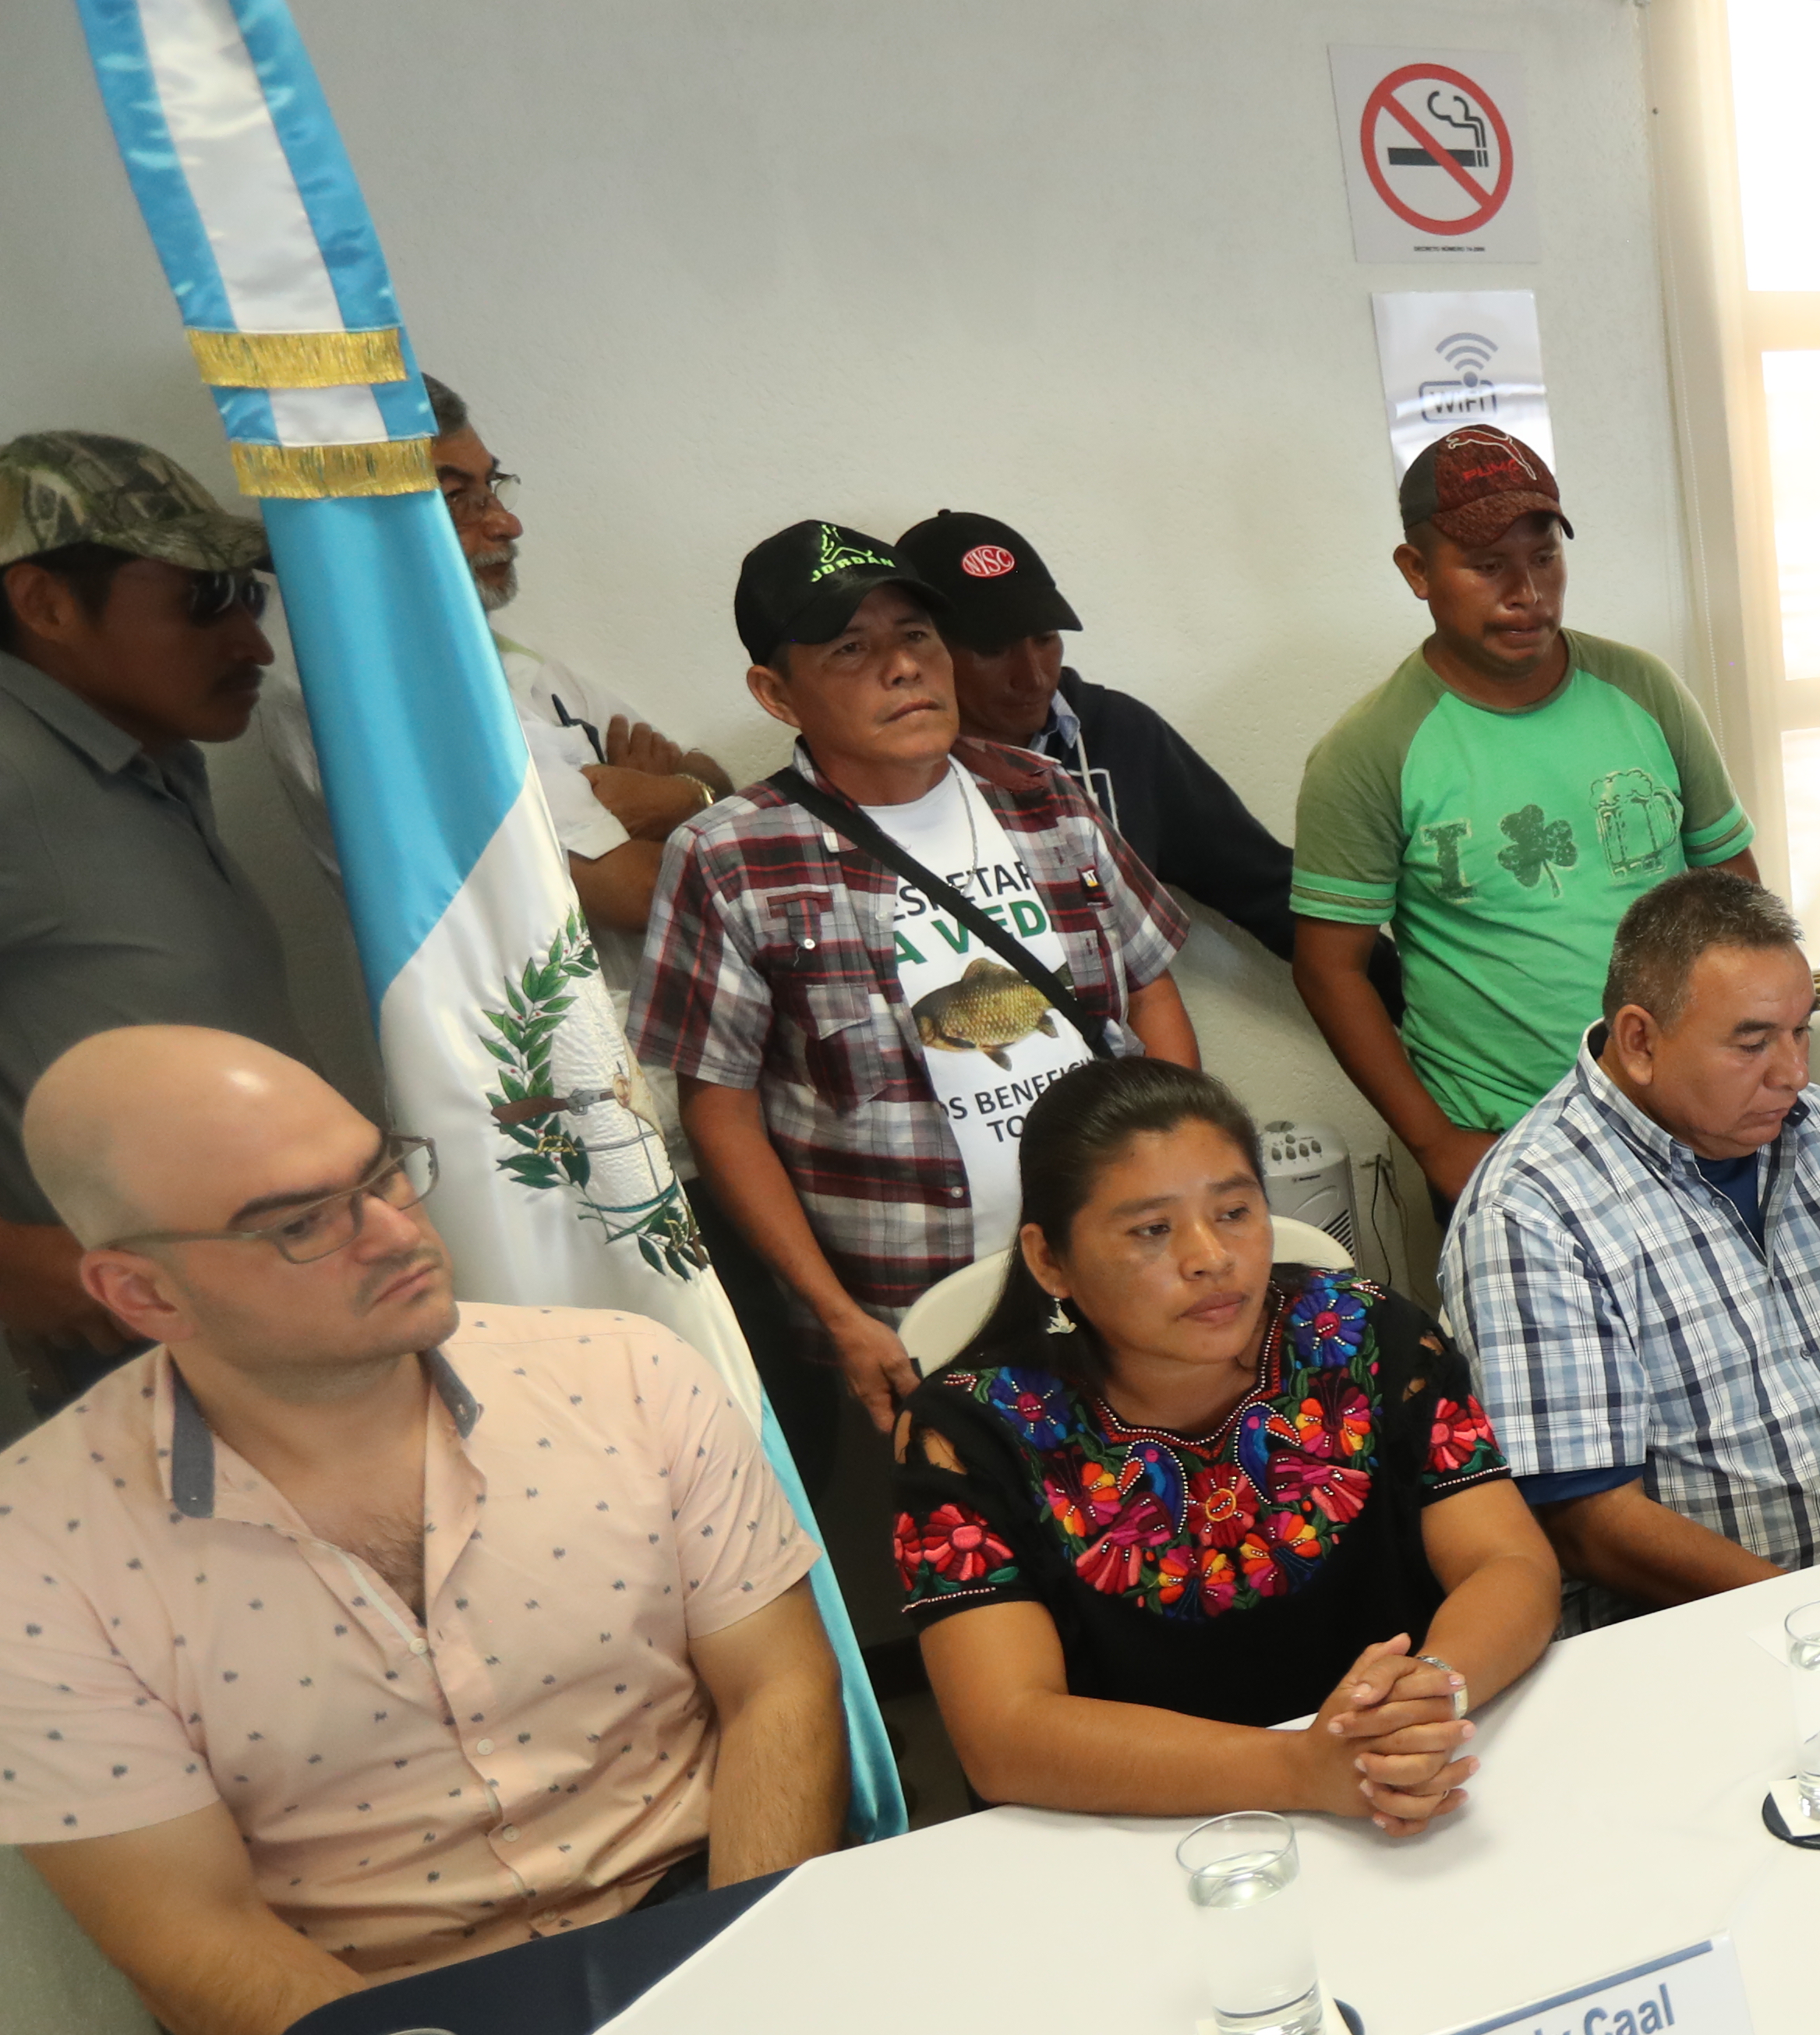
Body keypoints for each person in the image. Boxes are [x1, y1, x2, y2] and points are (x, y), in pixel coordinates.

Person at [0, 1026, 846, 2035]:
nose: (395, 1231)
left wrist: (742, 1994)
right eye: (304, 1222)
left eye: (383, 1172)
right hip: (381, 2019)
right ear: (143, 1295)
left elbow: (777, 1687)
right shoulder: (36, 1555)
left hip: (706, 1905)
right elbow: (186, 1934)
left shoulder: (624, 1375)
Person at [638, 521, 1200, 1460]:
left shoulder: (1045, 794)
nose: (902, 669)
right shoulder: (731, 855)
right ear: (776, 692)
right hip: (916, 1311)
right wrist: (837, 1316)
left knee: (1162, 1525)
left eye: (917, 637)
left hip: (1116, 1271)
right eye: (852, 648)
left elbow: (1149, 993)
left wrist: (1177, 1192)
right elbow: (720, 1107)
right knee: (989, 1564)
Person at [892, 1058, 1557, 1828]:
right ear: (1050, 1259)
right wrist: (1303, 1769)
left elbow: (1509, 1562)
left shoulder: (1363, 1335)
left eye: (1235, 1212)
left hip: (1412, 1790)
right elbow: (1005, 1735)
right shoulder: (970, 1429)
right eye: (1151, 1230)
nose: (1209, 1256)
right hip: (1135, 1836)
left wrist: (1434, 1689)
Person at [1442, 871, 1820, 1627]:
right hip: (1712, 1631)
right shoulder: (1531, 1210)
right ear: (1640, 1041)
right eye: (1753, 1042)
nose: (1794, 1073)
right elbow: (1590, 1524)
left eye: (1802, 1031)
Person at [1292, 429, 1755, 1211]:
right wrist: (1436, 1144)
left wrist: (1750, 1062)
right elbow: (1328, 968)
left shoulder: (1644, 690)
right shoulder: (1371, 749)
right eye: (1486, 566)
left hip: (1687, 1116)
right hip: (1515, 1141)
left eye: (1544, 559)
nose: (1527, 594)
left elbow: (1734, 893)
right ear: (1417, 571)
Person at [0, 432, 305, 1373]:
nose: (252, 640)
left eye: (247, 595)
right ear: (45, 601)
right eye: (204, 598)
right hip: (138, 1355)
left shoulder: (147, 755)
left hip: (270, 1316)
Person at [266, 377, 732, 960]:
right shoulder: (381, 688)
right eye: (456, 497)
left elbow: (710, 775)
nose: (506, 524)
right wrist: (681, 804)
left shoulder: (506, 660)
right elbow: (637, 892)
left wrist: (683, 797)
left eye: (492, 487)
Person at [899, 510, 1298, 960]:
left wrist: (1390, 994)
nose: (1032, 677)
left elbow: (1263, 888)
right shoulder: (886, 770)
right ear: (920, 649)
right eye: (992, 649)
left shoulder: (1121, 735)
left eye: (1046, 638)